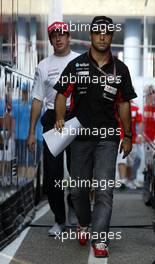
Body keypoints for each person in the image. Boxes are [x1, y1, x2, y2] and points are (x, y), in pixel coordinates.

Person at [54, 16, 137, 258]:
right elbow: (61, 95)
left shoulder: (120, 69)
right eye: (98, 32)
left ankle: (100, 239)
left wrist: (128, 135)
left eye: (107, 33)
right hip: (79, 138)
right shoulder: (76, 65)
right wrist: (60, 117)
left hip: (108, 138)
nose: (102, 36)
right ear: (90, 35)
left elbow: (123, 105)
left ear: (112, 36)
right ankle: (83, 222)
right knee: (79, 191)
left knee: (103, 188)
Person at [27, 21, 79, 236]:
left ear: (69, 37)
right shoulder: (43, 65)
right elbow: (37, 100)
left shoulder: (80, 61)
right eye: (54, 35)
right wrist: (31, 132)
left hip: (75, 118)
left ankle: (75, 210)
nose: (58, 38)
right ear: (50, 40)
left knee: (79, 171)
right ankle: (59, 219)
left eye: (62, 34)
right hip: (51, 120)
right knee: (52, 175)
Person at [116, 100, 143, 189]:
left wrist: (139, 135)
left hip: (133, 139)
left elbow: (140, 122)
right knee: (122, 159)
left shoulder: (136, 107)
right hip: (121, 137)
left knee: (130, 162)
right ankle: (122, 180)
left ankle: (128, 180)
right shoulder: (118, 105)